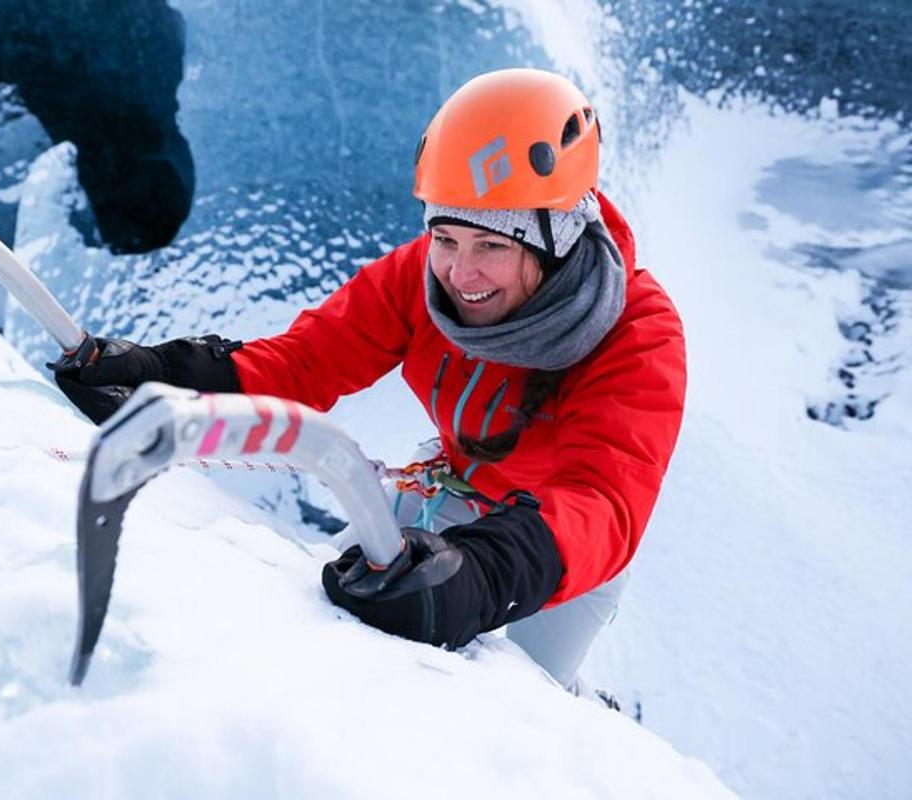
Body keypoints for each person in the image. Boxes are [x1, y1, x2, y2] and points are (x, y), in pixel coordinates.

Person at [50, 69, 687, 695]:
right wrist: (168, 377)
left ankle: (584, 705)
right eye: (445, 236)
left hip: (555, 557)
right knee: (323, 618)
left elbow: (601, 500)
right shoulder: (424, 277)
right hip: (448, 488)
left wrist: (483, 576)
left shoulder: (639, 334)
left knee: (520, 707)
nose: (461, 274)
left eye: (492, 245)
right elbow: (308, 360)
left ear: (558, 236)